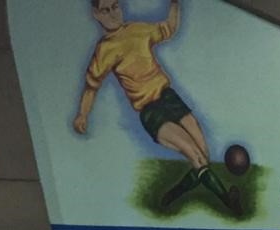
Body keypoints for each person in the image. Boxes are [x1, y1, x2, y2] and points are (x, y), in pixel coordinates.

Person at [74, 0, 241, 215]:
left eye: (115, 6)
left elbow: (169, 28)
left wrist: (174, 4)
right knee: (196, 157)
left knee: (204, 156)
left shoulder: (138, 30)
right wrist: (83, 115)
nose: (113, 13)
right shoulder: (104, 50)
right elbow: (91, 86)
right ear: (96, 14)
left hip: (169, 98)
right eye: (105, 10)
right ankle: (230, 202)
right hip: (151, 112)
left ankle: (173, 195)